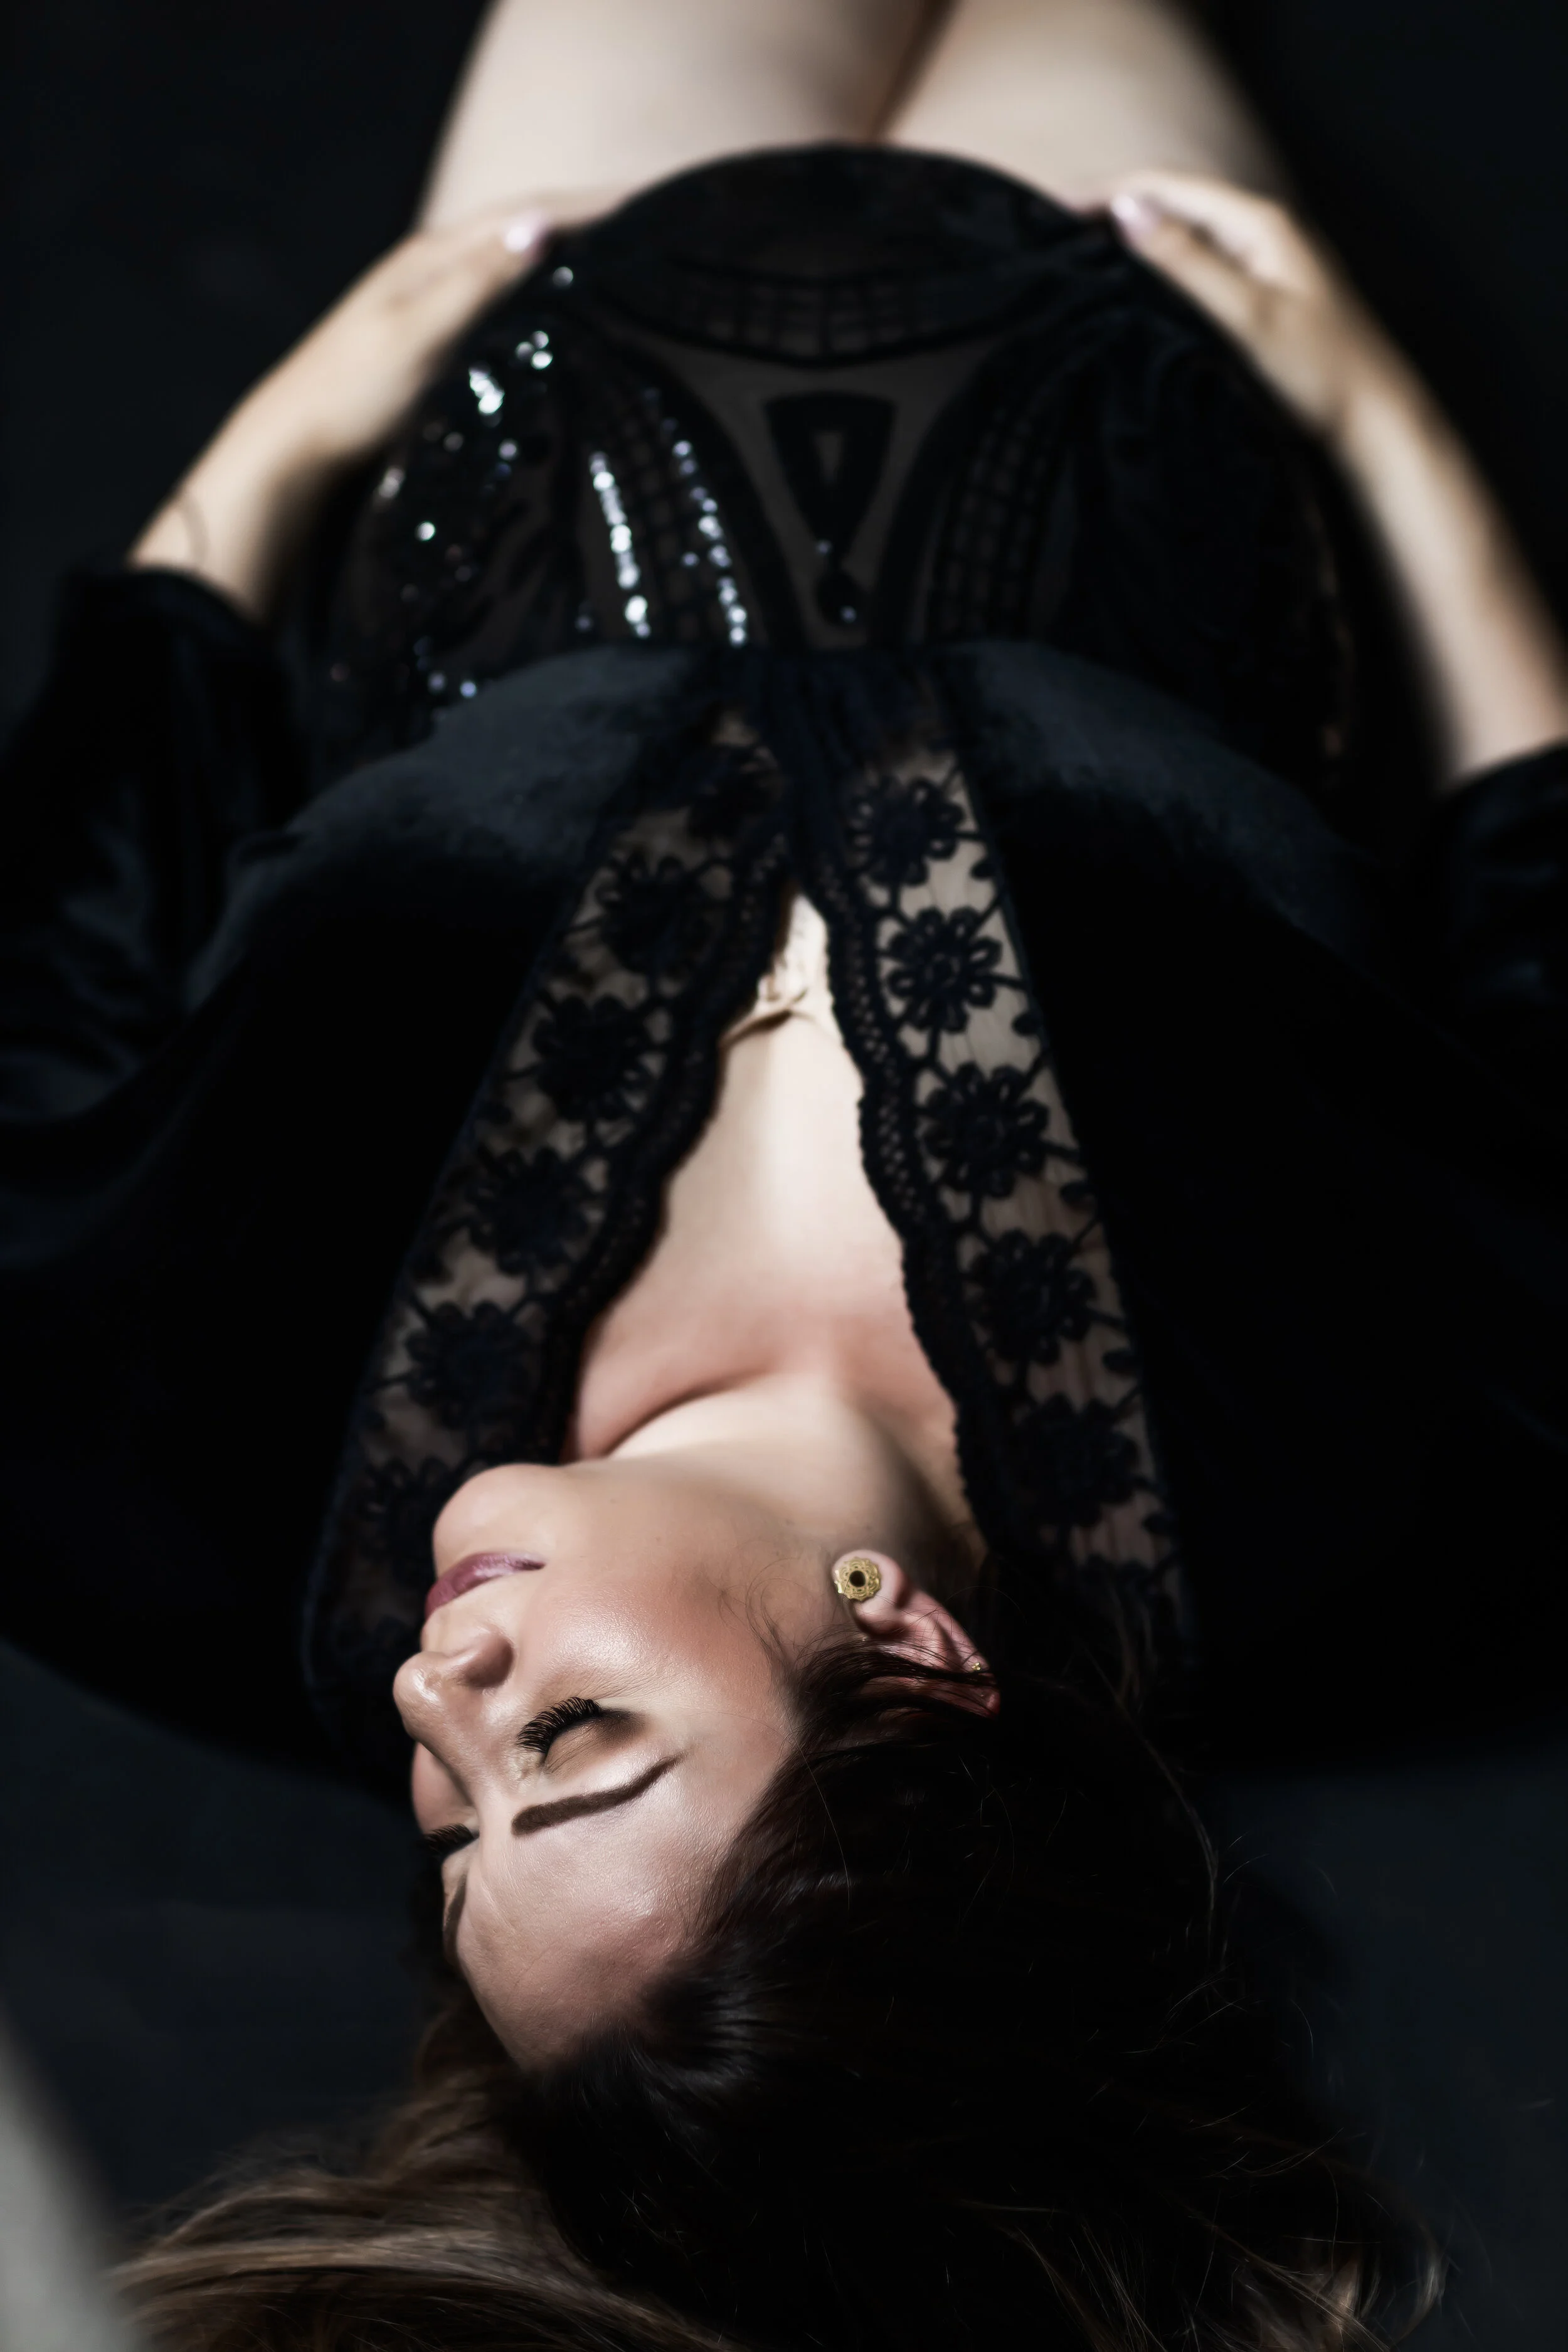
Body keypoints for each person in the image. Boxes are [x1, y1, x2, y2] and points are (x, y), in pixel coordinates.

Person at [4, 0, 1566, 2344]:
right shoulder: (1353, 1466)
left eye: (449, 1829)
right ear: (907, 1662)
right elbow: (1540, 920)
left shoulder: (182, 1474)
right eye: (569, 1739)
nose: (441, 1693)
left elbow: (57, 955)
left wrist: (285, 446)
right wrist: (1376, 419)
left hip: (561, 306)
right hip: (1139, 326)